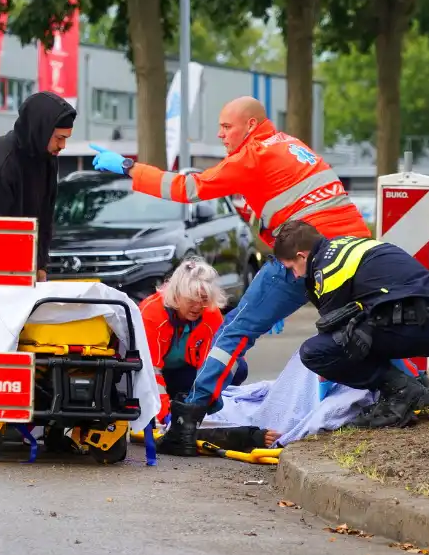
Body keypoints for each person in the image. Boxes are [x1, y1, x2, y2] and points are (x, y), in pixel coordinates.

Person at [90, 96, 387, 451]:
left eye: (226, 127)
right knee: (362, 328)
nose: (220, 135)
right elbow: (282, 215)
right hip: (351, 252)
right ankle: (405, 390)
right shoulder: (292, 146)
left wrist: (126, 167)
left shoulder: (254, 155)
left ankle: (187, 423)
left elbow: (189, 188)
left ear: (250, 126)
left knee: (234, 332)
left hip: (304, 255)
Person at [273, 221, 429, 429]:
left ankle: (401, 392)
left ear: (302, 256)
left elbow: (333, 333)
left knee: (316, 352)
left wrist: (325, 382)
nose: (295, 275)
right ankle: (415, 389)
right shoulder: (346, 247)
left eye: (292, 267)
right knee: (362, 329)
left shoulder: (328, 268)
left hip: (411, 326)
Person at [139, 257, 278, 455]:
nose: (198, 307)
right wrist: (165, 415)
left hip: (186, 372)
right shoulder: (151, 313)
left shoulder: (211, 314)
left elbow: (214, 362)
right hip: (152, 375)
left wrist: (204, 406)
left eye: (204, 300)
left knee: (237, 366)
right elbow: (150, 373)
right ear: (177, 296)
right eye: (192, 300)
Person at [0, 91, 77, 281]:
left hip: (19, 270)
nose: (63, 146)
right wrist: (21, 274)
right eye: (59, 138)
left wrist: (41, 265)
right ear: (40, 131)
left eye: (66, 138)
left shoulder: (46, 158)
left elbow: (44, 217)